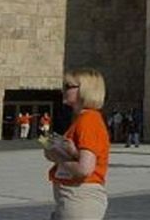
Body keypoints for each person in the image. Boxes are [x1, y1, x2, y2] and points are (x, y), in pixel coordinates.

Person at [46, 69, 111, 220]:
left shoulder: (88, 120)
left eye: (68, 86)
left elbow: (84, 168)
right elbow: (80, 156)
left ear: (84, 90)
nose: (64, 90)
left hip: (79, 198)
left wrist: (59, 157)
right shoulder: (83, 119)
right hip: (73, 197)